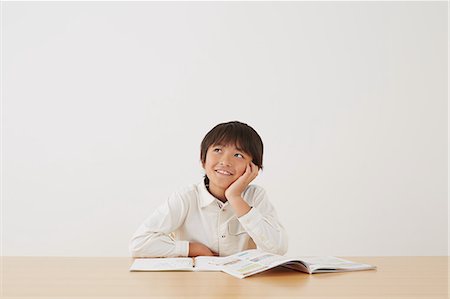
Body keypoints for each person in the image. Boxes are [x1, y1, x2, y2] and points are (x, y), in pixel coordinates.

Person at [129, 121, 288, 257]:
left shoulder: (255, 196)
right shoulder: (187, 197)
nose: (225, 161)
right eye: (218, 150)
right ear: (203, 160)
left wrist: (235, 197)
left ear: (253, 167)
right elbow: (139, 243)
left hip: (240, 289)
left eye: (238, 155)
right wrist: (192, 249)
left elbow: (277, 249)